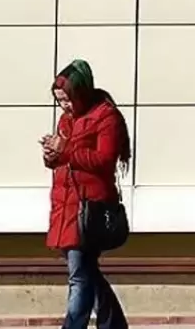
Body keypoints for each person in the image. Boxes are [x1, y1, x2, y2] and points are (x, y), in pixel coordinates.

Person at [42, 60, 132, 329]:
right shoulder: (67, 119)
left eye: (67, 99)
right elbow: (65, 158)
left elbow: (105, 159)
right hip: (65, 205)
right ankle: (114, 324)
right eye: (59, 101)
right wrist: (51, 155)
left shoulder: (106, 117)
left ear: (81, 93)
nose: (64, 106)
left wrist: (65, 149)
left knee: (79, 275)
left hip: (90, 207)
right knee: (87, 273)